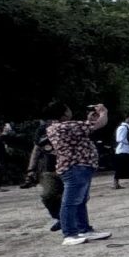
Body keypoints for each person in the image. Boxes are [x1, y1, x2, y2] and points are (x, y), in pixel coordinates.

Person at [47, 103, 112, 244]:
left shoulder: (57, 127)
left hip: (77, 167)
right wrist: (103, 112)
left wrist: (90, 119)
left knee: (80, 201)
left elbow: (86, 127)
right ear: (64, 114)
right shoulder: (66, 126)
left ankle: (84, 229)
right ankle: (69, 234)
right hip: (75, 166)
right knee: (70, 202)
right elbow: (99, 124)